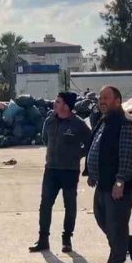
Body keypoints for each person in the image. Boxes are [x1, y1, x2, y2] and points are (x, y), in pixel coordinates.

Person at [83, 86, 132, 263]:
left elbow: (127, 156)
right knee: (104, 221)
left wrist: (120, 181)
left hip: (118, 187)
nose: (101, 101)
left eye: (106, 98)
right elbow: (97, 147)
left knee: (116, 228)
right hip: (103, 183)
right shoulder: (105, 120)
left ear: (118, 101)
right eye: (100, 98)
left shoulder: (125, 124)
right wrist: (92, 173)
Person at [29, 92, 91, 254]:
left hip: (70, 171)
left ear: (66, 106)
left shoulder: (78, 124)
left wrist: (77, 154)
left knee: (69, 205)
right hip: (51, 169)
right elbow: (45, 138)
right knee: (45, 205)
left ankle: (67, 239)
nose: (55, 104)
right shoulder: (50, 119)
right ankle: (43, 239)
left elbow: (90, 143)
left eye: (58, 102)